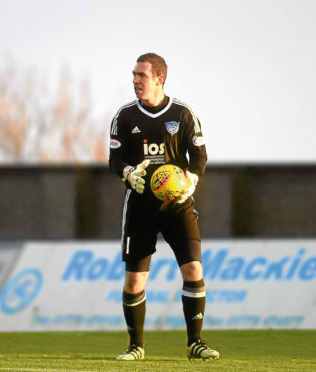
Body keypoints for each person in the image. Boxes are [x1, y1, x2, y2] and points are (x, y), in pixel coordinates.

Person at [108, 53, 219, 361]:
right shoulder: (125, 117)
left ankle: (195, 343)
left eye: (141, 75)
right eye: (133, 75)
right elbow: (115, 160)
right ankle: (136, 346)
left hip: (178, 205)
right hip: (141, 206)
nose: (134, 80)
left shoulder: (183, 114)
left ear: (159, 78)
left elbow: (199, 157)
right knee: (134, 280)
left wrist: (191, 179)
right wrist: (128, 173)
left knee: (194, 269)